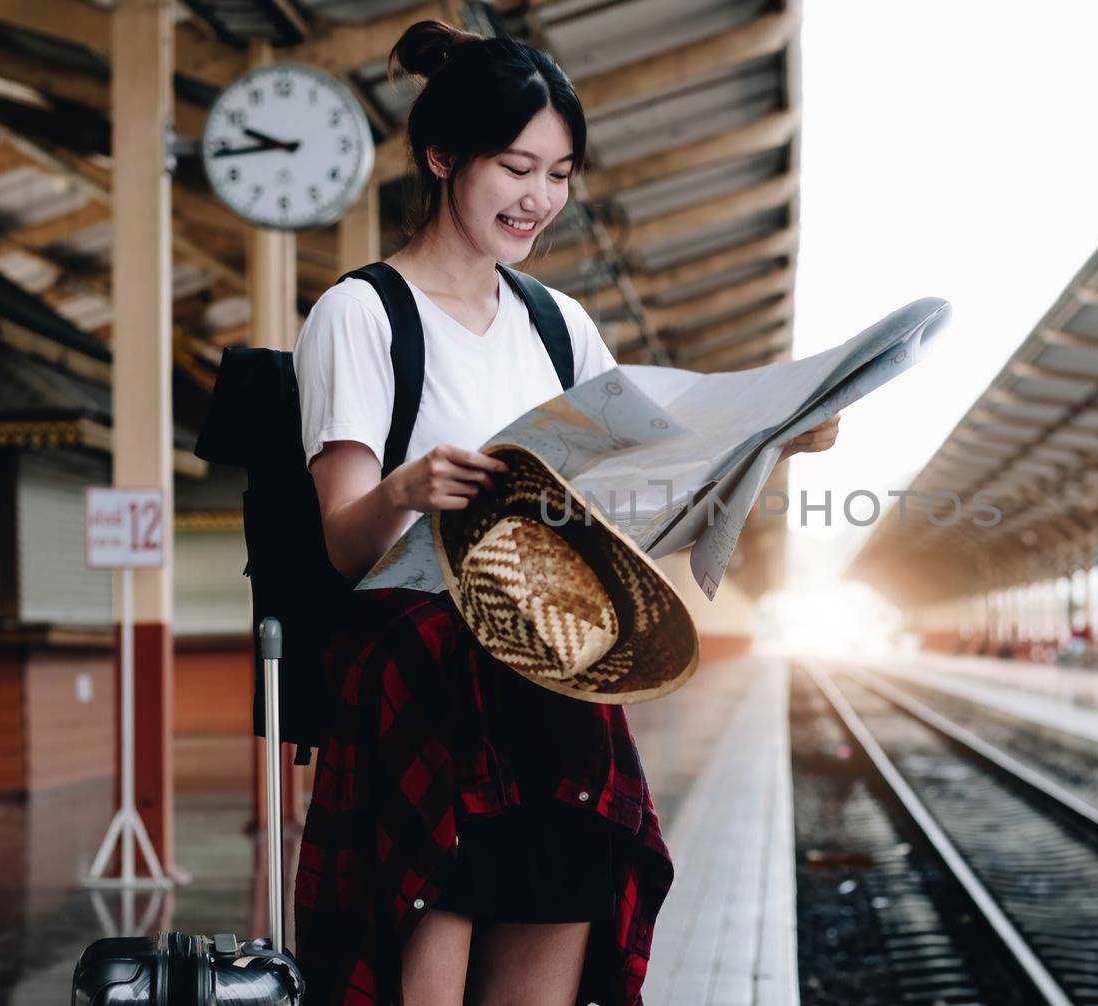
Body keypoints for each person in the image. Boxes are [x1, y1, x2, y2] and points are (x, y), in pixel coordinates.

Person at [289, 20, 838, 1006]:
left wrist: (772, 437)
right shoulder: (362, 315)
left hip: (556, 678)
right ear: (442, 155)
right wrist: (407, 490)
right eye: (516, 167)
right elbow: (339, 540)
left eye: (560, 172)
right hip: (426, 690)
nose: (540, 197)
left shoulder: (558, 325)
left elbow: (647, 478)